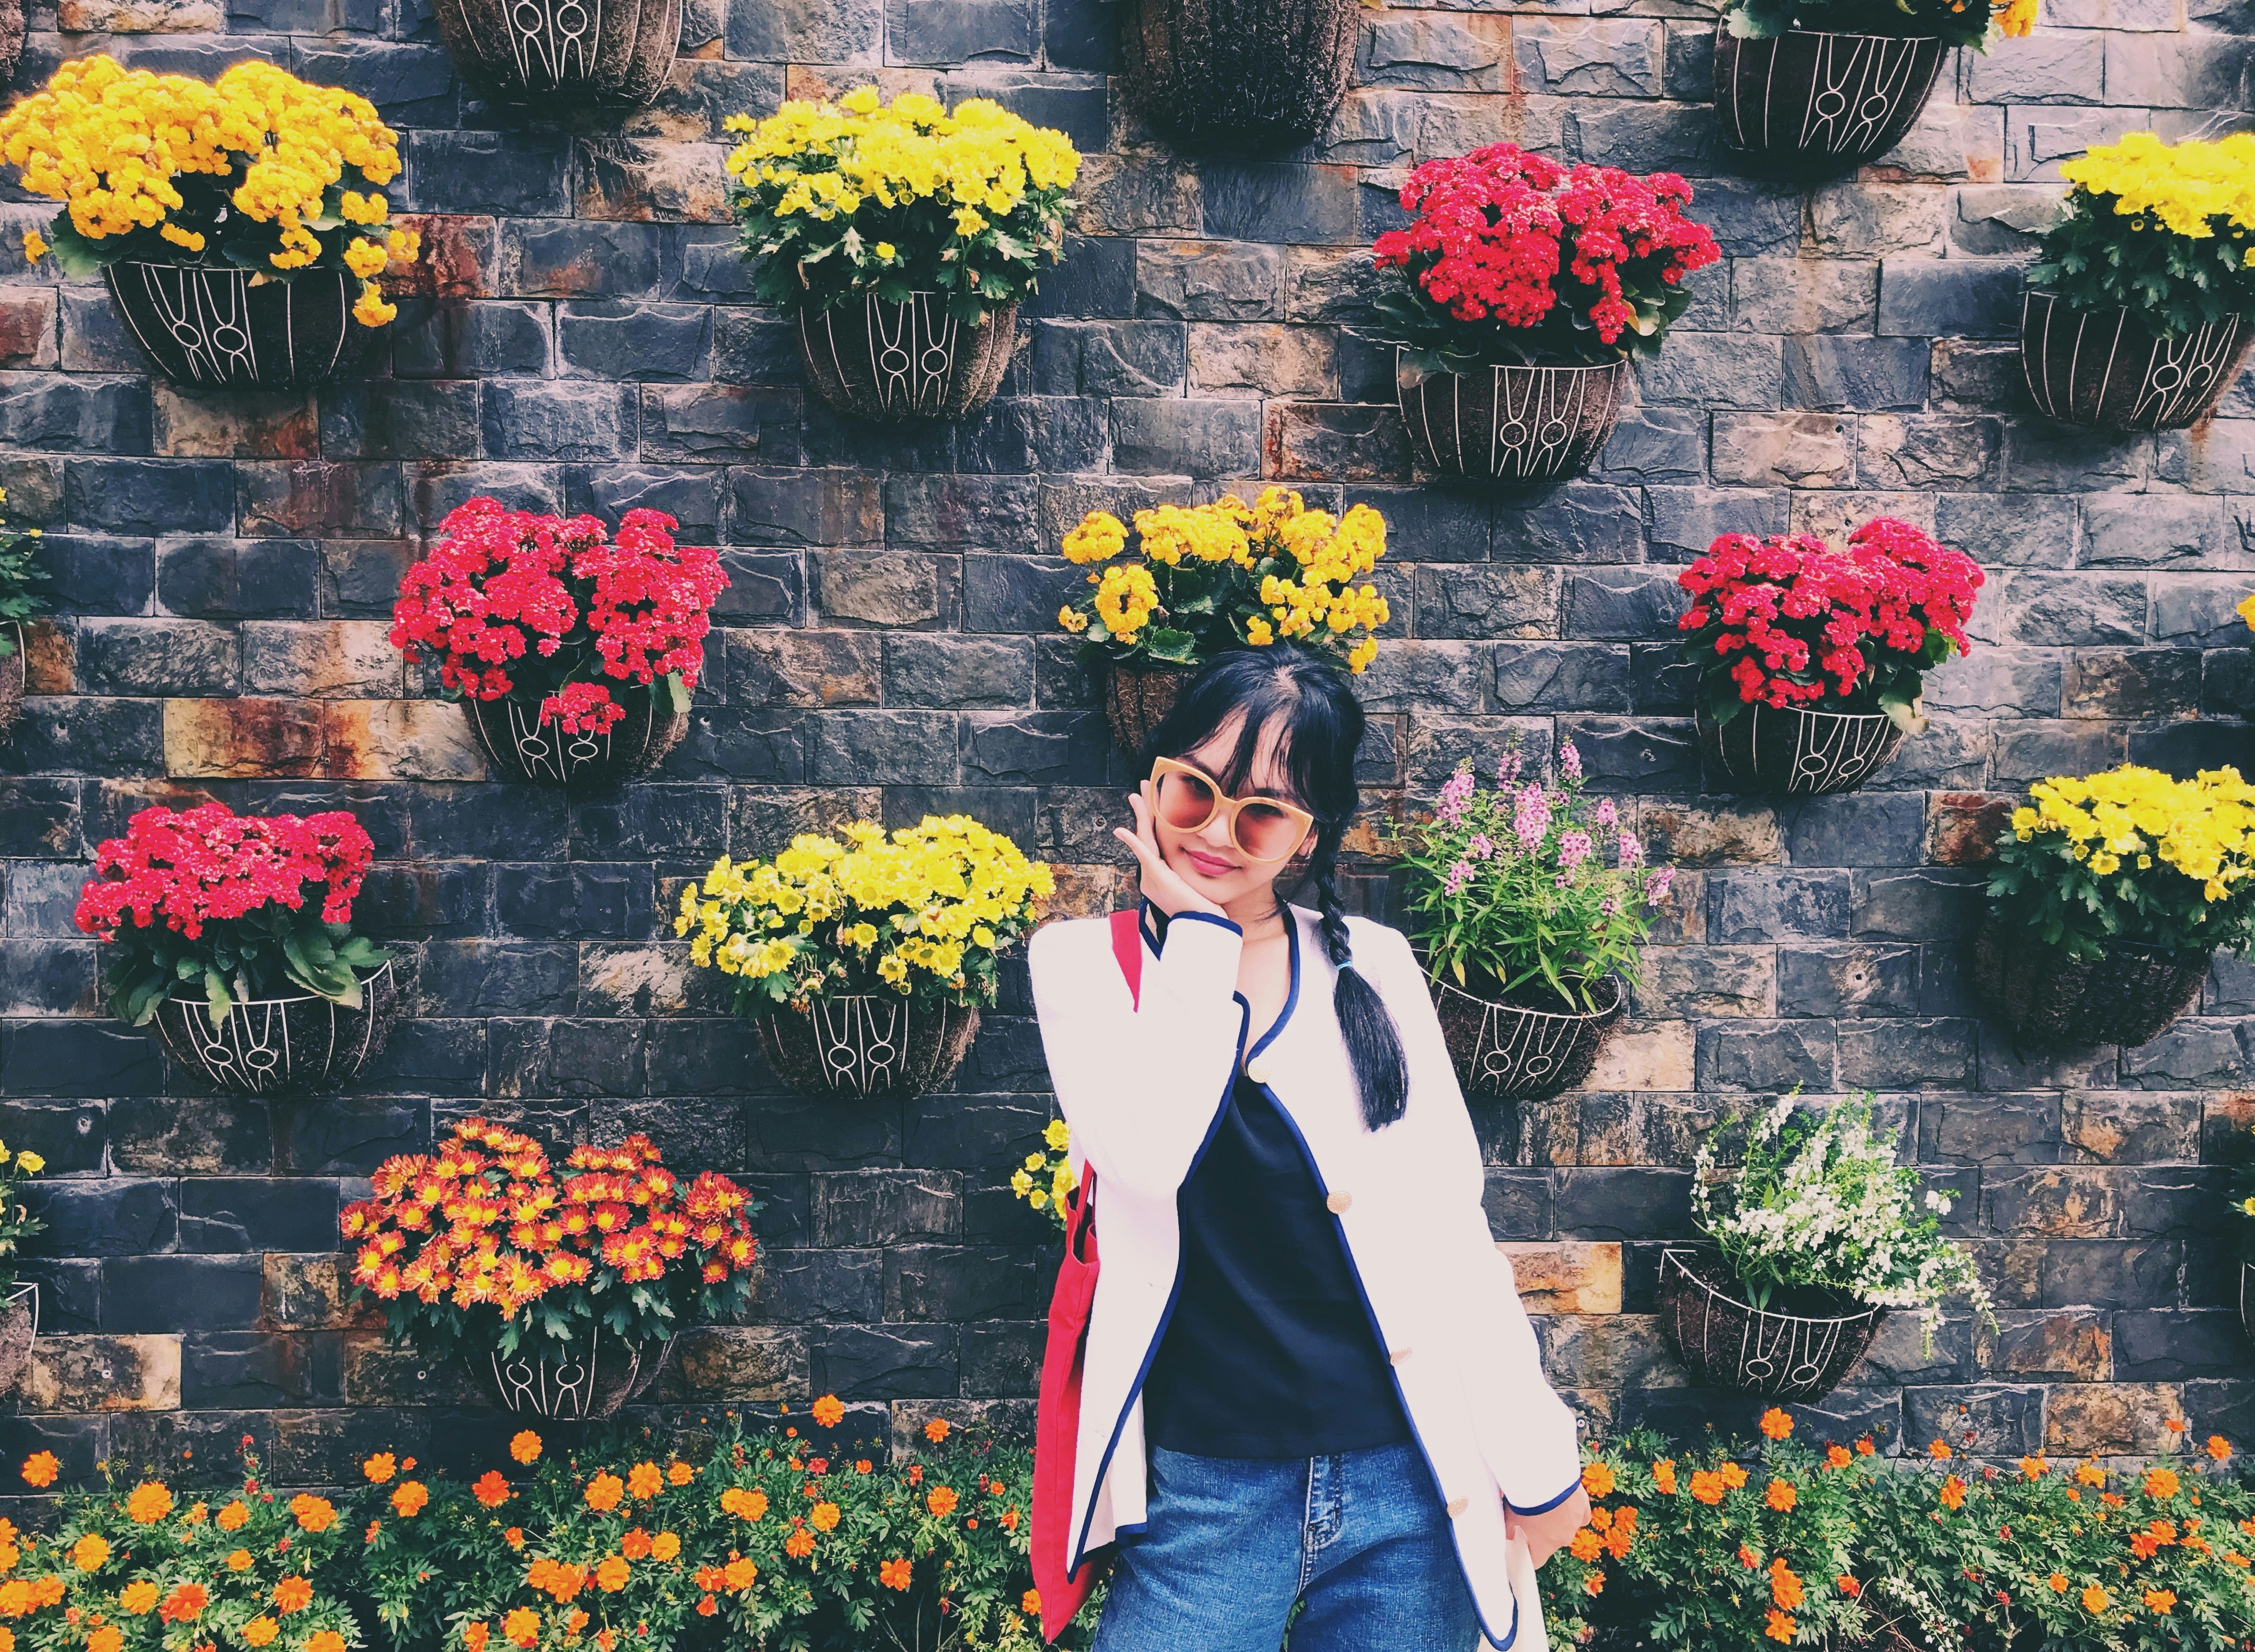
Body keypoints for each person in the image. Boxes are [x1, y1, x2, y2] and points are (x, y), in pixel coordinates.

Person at [1027, 644, 1590, 1652]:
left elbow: (1450, 1234)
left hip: (1405, 1481)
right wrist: (1197, 935)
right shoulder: (1082, 967)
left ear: (1307, 835)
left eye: (1260, 813)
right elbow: (1152, 1154)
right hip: (1205, 1492)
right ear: (1150, 784)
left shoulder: (1373, 968)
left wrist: (1538, 1462)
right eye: (1193, 791)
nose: (1214, 833)